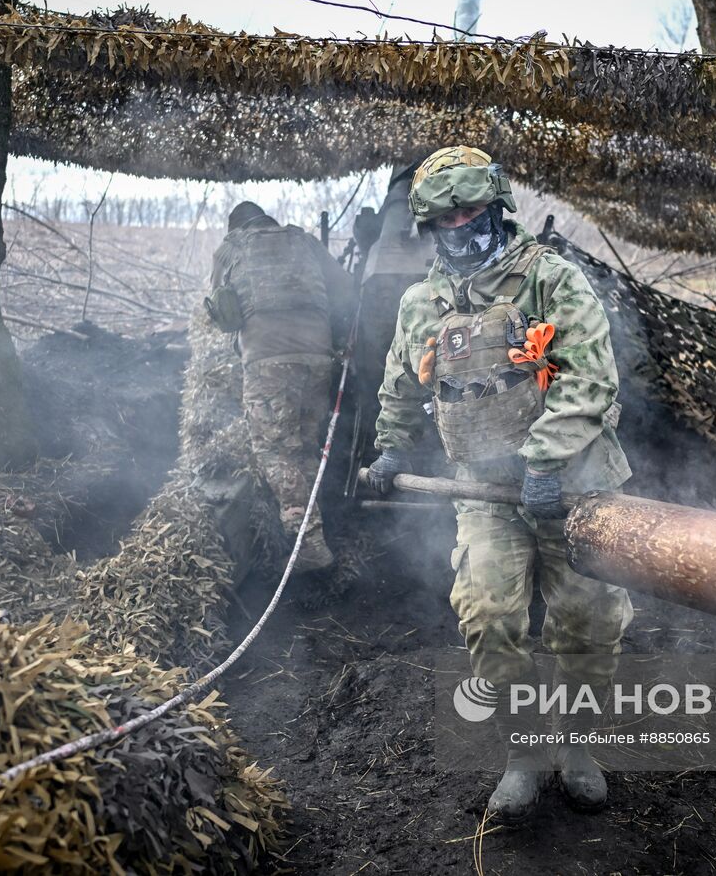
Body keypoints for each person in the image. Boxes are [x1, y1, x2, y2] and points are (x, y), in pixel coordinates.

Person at [367, 146, 633, 823]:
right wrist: (391, 448)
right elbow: (401, 378)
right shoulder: (422, 302)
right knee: (488, 611)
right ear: (427, 225)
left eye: (471, 209)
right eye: (445, 216)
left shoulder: (551, 280)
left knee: (590, 618)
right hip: (483, 489)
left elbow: (593, 379)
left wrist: (544, 461)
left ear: (497, 208)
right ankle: (523, 751)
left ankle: (577, 748)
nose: (460, 224)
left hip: (574, 482)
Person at [206, 201, 355, 589]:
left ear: (236, 227)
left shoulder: (231, 248)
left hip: (267, 361)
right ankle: (315, 524)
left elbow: (223, 312)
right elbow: (344, 289)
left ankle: (309, 544)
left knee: (275, 450)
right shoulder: (304, 242)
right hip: (318, 359)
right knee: (304, 445)